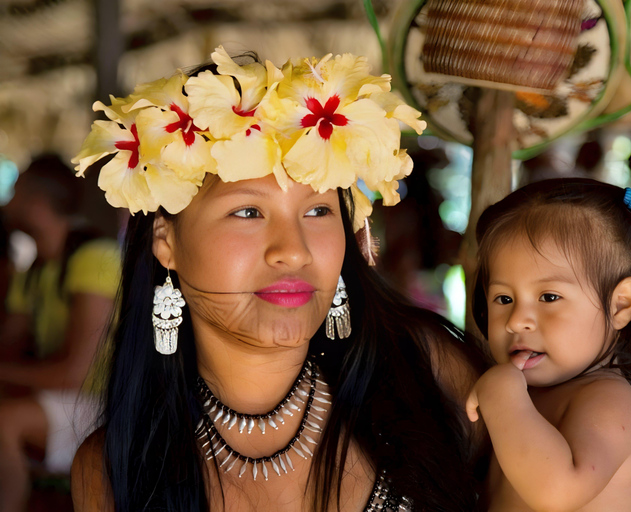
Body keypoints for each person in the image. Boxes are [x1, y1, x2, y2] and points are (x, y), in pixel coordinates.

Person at [70, 47, 486, 512]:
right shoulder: (115, 470)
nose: (293, 250)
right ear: (165, 242)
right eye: (248, 211)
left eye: (317, 210)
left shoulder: (428, 372)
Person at [466, 178, 631, 511]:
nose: (516, 320)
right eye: (503, 298)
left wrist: (502, 394)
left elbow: (556, 492)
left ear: (620, 305)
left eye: (549, 297)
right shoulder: (527, 391)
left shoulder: (610, 402)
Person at [0, 154, 120, 512]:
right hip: (62, 396)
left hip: (104, 405)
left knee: (5, 421)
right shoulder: (36, 269)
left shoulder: (95, 256)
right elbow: (10, 345)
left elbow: (77, 374)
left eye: (15, 193)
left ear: (37, 204)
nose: (7, 203)